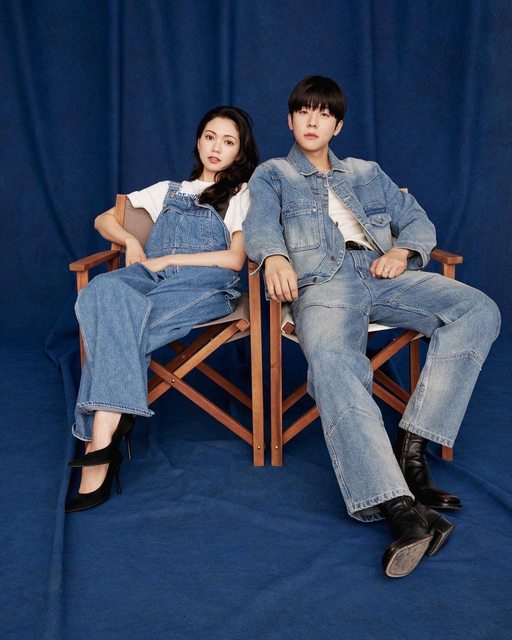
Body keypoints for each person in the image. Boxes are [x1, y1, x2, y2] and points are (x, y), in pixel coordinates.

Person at [243, 76, 500, 577]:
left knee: (479, 309)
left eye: (324, 113)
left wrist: (403, 252)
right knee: (334, 361)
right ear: (290, 120)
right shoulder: (273, 174)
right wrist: (273, 256)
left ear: (337, 126)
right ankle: (400, 507)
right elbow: (261, 226)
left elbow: (417, 220)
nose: (313, 120)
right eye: (304, 111)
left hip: (384, 274)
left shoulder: (367, 172)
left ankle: (412, 447)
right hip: (324, 285)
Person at [66, 106, 259, 513]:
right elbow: (103, 220)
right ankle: (114, 422)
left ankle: (99, 441)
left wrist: (166, 260)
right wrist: (131, 243)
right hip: (151, 279)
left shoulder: (241, 195)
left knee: (117, 326)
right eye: (210, 137)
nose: (216, 147)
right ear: (198, 140)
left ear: (239, 152)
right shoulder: (168, 190)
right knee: (102, 290)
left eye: (228, 142)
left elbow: (234, 260)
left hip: (204, 284)